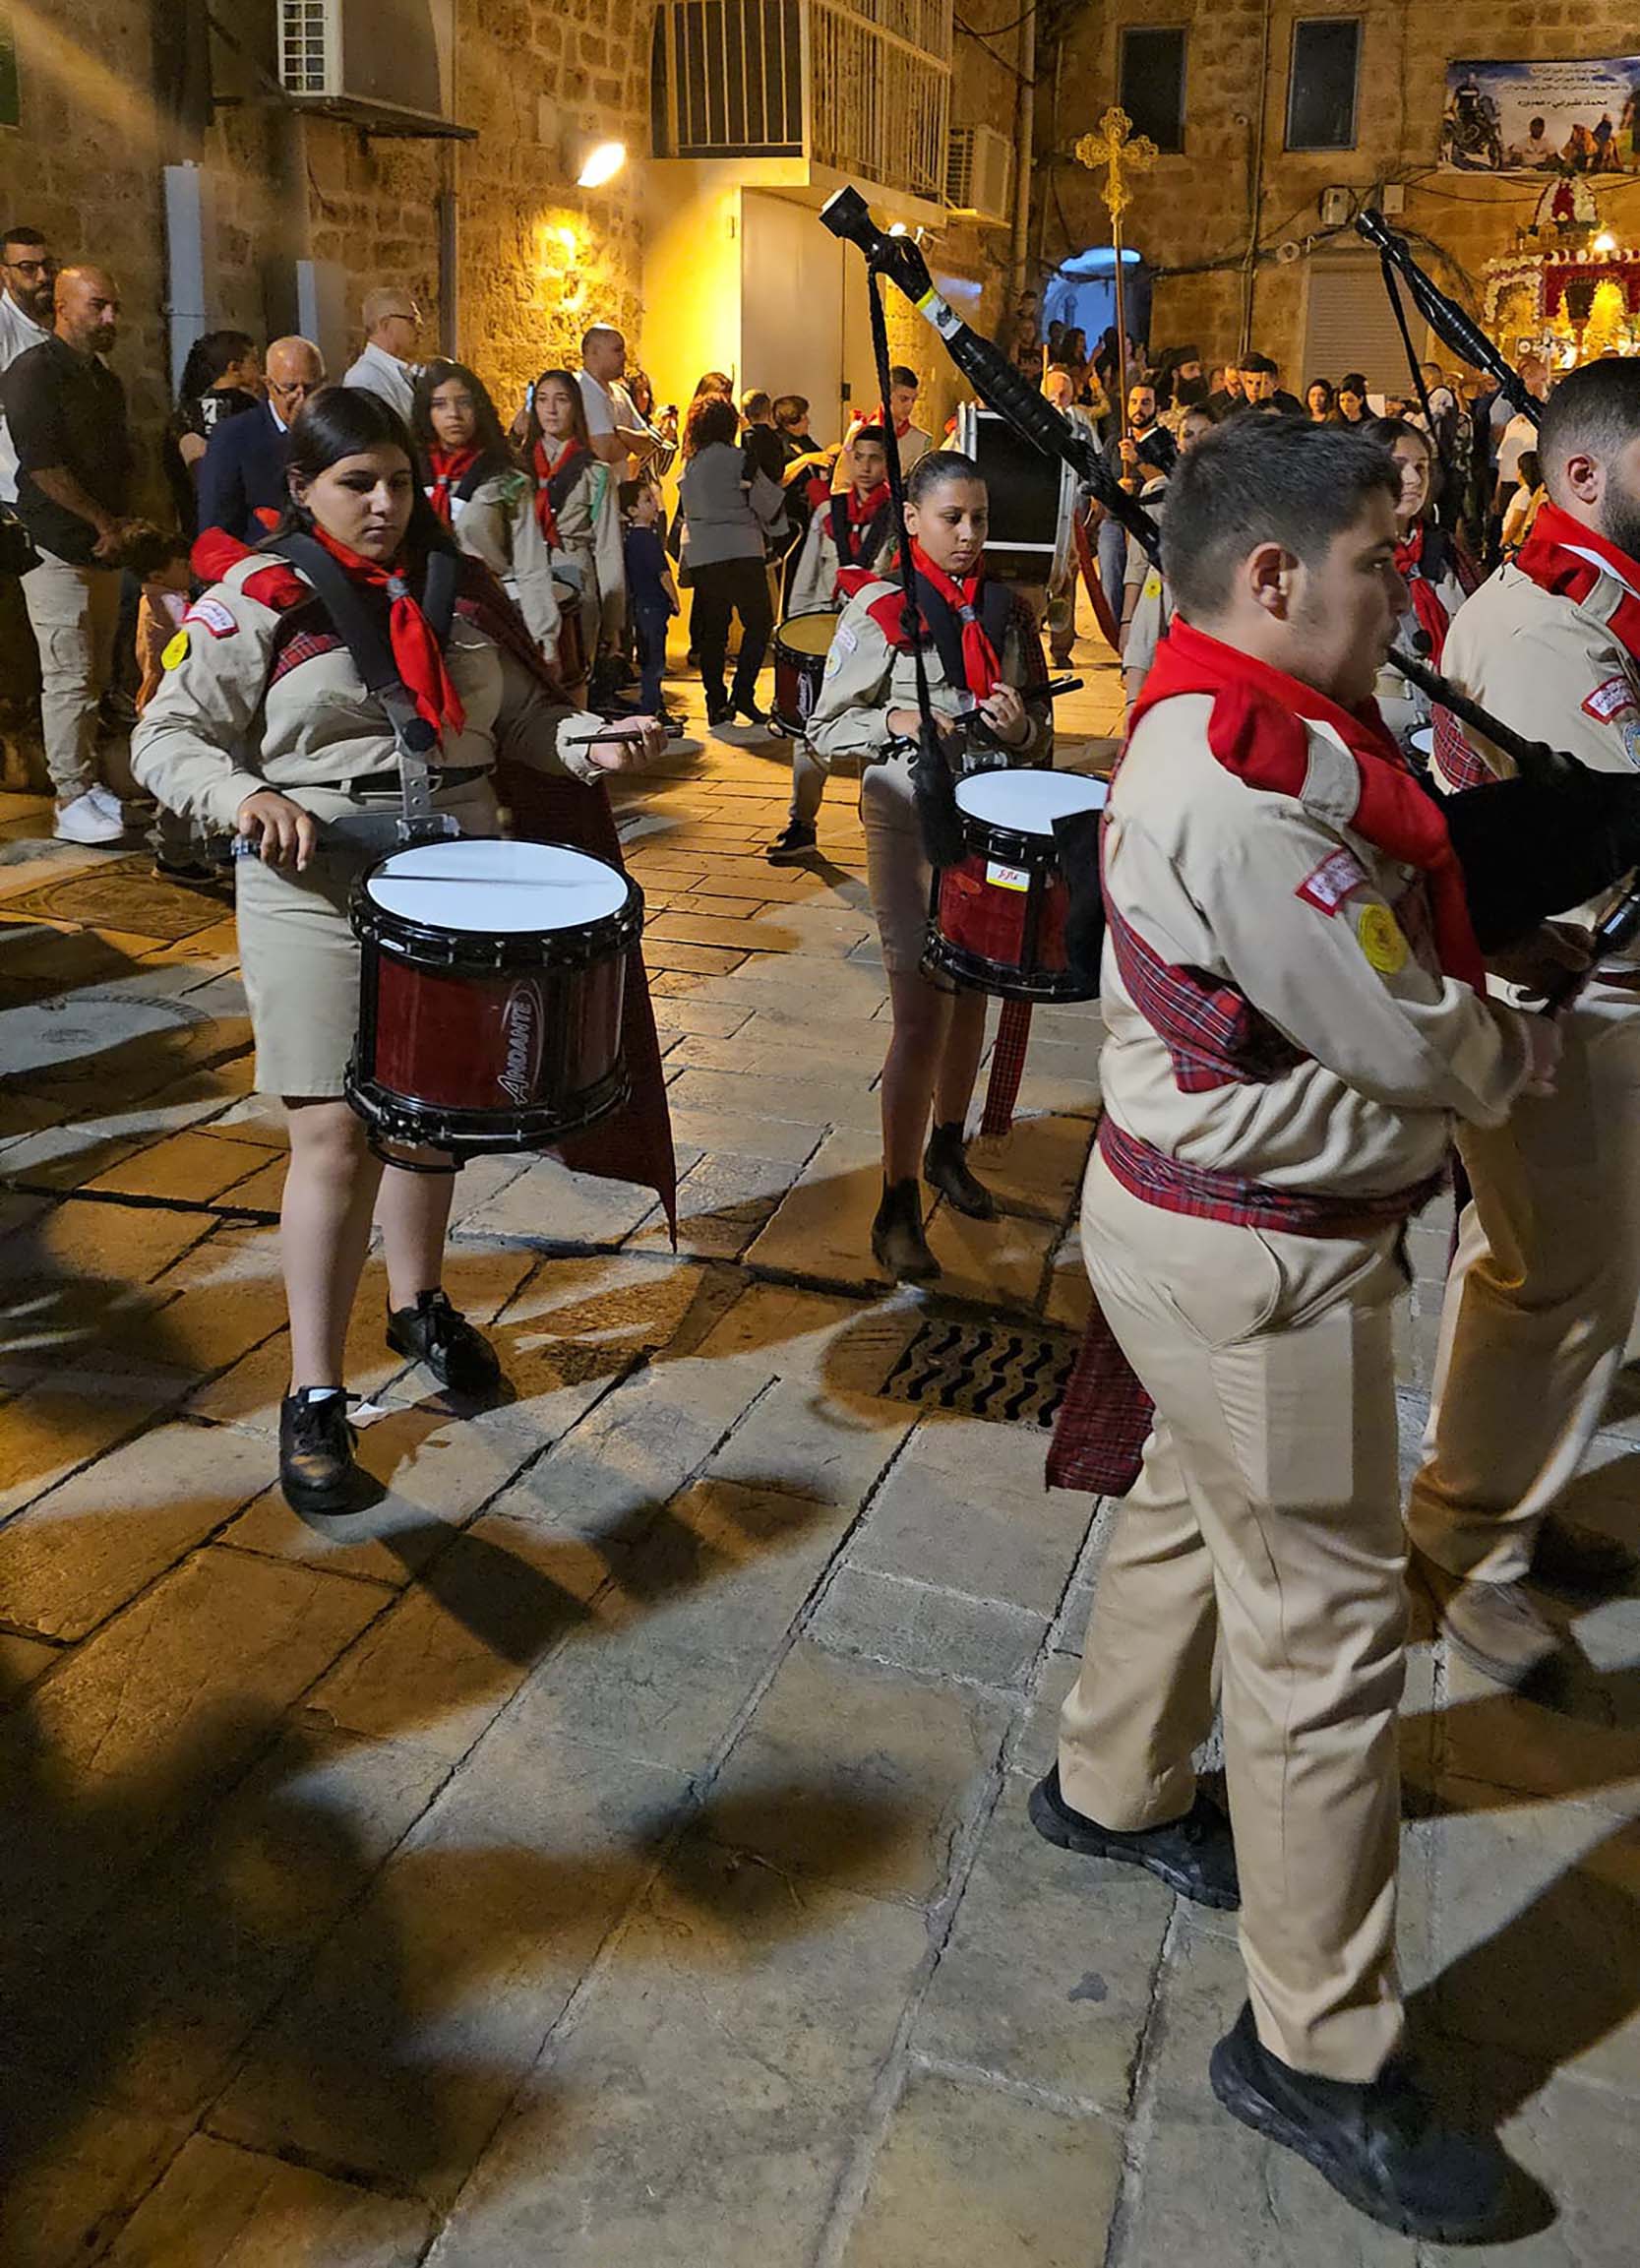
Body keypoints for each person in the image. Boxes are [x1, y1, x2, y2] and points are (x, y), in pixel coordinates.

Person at [1036, 415, 1550, 2240]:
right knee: (1325, 1640)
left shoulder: (1227, 716)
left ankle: (1110, 1782)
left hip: (1184, 1230)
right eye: (1375, 564)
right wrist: (1512, 1043)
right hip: (1267, 1268)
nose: (1400, 592)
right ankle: (1315, 2051)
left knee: (1192, 1504)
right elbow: (1400, 1030)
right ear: (1270, 578)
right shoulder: (1246, 780)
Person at [131, 388, 666, 1514]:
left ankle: (417, 1305)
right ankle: (315, 1391)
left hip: (456, 884)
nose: (382, 504)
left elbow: (520, 722)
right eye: (354, 484)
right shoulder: (258, 598)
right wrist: (242, 797)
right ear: (302, 488)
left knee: (433, 1116)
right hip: (316, 883)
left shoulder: (460, 588)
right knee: (334, 1135)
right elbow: (166, 734)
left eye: (396, 481)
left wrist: (590, 742)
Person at [1408, 358, 1640, 1689]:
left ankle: (1506, 1502)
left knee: (1558, 1276)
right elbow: (1604, 847)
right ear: (1583, 473)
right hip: (1571, 996)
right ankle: (1464, 1547)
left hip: (1585, 990)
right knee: (1547, 1282)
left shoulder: (1588, 601)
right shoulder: (1551, 629)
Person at [807, 450, 1052, 1280]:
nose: (968, 533)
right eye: (951, 518)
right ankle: (896, 1200)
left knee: (973, 987)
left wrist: (1019, 729)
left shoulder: (1004, 610)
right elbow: (822, 730)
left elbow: (1039, 735)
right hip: (908, 815)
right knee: (919, 1008)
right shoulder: (882, 609)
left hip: (985, 816)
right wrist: (895, 722)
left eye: (979, 518)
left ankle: (950, 1146)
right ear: (912, 519)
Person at [2, 264, 159, 846]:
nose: (110, 317)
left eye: (114, 306)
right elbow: (43, 465)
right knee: (67, 673)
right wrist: (102, 522)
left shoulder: (102, 379)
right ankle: (69, 796)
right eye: (98, 306)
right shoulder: (33, 373)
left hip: (101, 547)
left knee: (94, 673)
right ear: (63, 307)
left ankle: (87, 783)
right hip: (55, 545)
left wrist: (121, 525)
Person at [765, 425, 897, 864]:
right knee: (810, 730)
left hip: (875, 642)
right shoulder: (829, 514)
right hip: (827, 640)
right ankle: (802, 823)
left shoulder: (899, 518)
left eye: (875, 458)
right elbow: (806, 578)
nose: (866, 467)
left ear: (888, 464)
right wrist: (793, 632)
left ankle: (877, 823)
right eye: (859, 457)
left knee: (874, 736)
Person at [409, 358, 562, 670]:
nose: (453, 414)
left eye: (463, 402)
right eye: (440, 404)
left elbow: (531, 565)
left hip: (485, 614)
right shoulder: (407, 474)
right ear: (426, 412)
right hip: (420, 614)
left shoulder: (505, 477)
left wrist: (545, 638)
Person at [678, 394, 786, 728]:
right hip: (741, 549)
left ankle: (715, 703)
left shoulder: (690, 465)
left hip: (704, 554)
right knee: (759, 623)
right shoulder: (741, 459)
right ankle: (743, 693)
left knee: (714, 631)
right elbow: (767, 504)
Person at [1359, 416, 1466, 750]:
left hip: (1454, 724)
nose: (1414, 478)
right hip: (1380, 733)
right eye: (1398, 465)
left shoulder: (1444, 549)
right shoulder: (1345, 557)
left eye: (1421, 466)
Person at [520, 367, 625, 696]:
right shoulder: (515, 469)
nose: (551, 409)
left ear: (575, 407)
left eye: (561, 400)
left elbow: (608, 548)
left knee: (571, 688)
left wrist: (613, 622)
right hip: (525, 580)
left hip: (574, 576)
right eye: (542, 400)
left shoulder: (596, 473)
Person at [1120, 401, 1215, 703]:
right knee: (1154, 591)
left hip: (1204, 596)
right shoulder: (1157, 490)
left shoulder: (1229, 490)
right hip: (1159, 591)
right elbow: (1138, 561)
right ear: (1177, 441)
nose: (1195, 442)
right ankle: (1133, 707)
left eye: (1204, 434)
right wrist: (1126, 622)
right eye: (1188, 434)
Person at [197, 336, 325, 543]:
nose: (302, 398)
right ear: (269, 385)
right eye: (290, 388)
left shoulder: (336, 430)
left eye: (311, 388)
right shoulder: (234, 437)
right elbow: (216, 529)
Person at [163, 329, 262, 537]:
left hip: (196, 532)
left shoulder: (183, 415)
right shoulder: (252, 411)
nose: (261, 371)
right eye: (255, 362)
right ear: (234, 368)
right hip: (245, 531)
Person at [1099, 380, 1178, 617]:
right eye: (1134, 402)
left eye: (1145, 402)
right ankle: (1117, 629)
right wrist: (1113, 490)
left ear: (1156, 408)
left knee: (1142, 587)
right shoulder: (1115, 442)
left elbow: (1169, 481)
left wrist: (1138, 463)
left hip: (1148, 523)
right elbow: (1100, 478)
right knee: (1111, 583)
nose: (1138, 408)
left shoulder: (1164, 443)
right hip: (1115, 520)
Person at [0, 224, 56, 506]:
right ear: (5, 274)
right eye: (28, 268)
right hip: (14, 493)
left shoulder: (54, 326)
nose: (43, 277)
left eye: (47, 266)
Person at [621, 476, 680, 728]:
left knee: (648, 659)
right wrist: (675, 599)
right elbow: (663, 573)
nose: (654, 504)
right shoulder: (647, 538)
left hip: (640, 605)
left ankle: (657, 707)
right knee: (654, 662)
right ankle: (651, 710)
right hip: (653, 605)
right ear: (632, 510)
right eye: (647, 500)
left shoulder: (629, 538)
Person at [577, 323, 661, 482]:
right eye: (617, 350)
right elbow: (603, 452)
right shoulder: (577, 389)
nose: (624, 357)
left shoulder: (620, 393)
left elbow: (647, 444)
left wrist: (622, 434)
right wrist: (630, 443)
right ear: (594, 352)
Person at [838, 365, 934, 484]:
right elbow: (842, 482)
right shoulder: (859, 432)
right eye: (903, 399)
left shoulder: (921, 441)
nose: (910, 406)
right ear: (886, 395)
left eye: (913, 400)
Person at [342, 288, 422, 417]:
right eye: (412, 321)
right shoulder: (364, 378)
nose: (419, 329)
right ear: (385, 324)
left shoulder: (403, 371)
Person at [1499, 446, 1544, 556]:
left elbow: (1516, 522)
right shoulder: (1533, 493)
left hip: (1515, 543)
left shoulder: (1523, 494)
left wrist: (1505, 542)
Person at [1237, 352, 1305, 416]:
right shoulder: (1235, 409)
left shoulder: (1290, 407)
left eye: (1260, 384)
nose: (1254, 389)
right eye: (1249, 382)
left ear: (1275, 385)